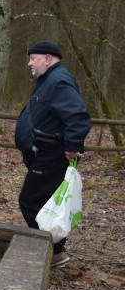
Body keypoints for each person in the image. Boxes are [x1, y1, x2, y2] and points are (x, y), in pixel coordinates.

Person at [14, 41, 91, 267]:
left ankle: (50, 251)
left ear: (48, 59)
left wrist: (71, 145)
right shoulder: (48, 81)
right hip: (43, 154)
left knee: (30, 200)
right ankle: (54, 251)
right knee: (44, 201)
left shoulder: (59, 81)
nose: (30, 63)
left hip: (52, 155)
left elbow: (78, 116)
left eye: (33, 58)